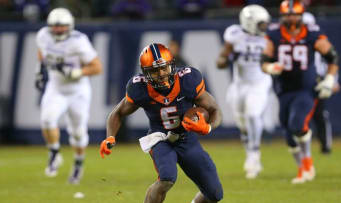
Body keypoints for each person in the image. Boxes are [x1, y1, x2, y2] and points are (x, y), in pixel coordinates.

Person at [100, 43, 223, 203]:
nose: (161, 74)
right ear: (145, 73)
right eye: (154, 71)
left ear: (172, 65)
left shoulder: (188, 80)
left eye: (164, 68)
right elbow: (117, 113)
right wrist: (110, 137)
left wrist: (208, 127)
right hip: (161, 139)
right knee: (167, 178)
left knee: (214, 194)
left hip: (187, 139)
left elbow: (214, 110)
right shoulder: (140, 88)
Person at [261, 0, 339, 184]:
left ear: (301, 15)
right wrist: (270, 67)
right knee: (289, 136)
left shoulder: (312, 33)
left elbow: (332, 56)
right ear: (281, 16)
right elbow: (263, 61)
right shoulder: (273, 34)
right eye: (287, 14)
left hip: (306, 89)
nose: (291, 17)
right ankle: (302, 169)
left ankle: (308, 163)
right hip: (283, 90)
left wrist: (329, 79)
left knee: (298, 125)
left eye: (294, 14)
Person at [35, 7, 103, 184]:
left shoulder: (79, 41)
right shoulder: (43, 35)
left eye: (62, 26)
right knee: (47, 120)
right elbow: (42, 53)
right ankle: (54, 152)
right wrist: (39, 70)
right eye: (55, 26)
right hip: (56, 87)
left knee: (78, 132)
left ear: (70, 26)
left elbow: (97, 67)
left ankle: (78, 164)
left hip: (77, 91)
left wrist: (76, 72)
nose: (58, 30)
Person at [216, 5, 271, 179]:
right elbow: (220, 61)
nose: (265, 27)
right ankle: (251, 153)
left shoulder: (270, 38)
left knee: (253, 115)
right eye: (261, 23)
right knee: (243, 125)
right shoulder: (235, 35)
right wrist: (228, 58)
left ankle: (254, 154)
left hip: (260, 82)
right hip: (239, 85)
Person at [303, 11, 339, 154]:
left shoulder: (318, 41)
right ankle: (303, 150)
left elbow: (332, 60)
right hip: (300, 82)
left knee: (320, 115)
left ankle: (325, 146)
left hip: (317, 80)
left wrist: (332, 81)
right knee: (298, 118)